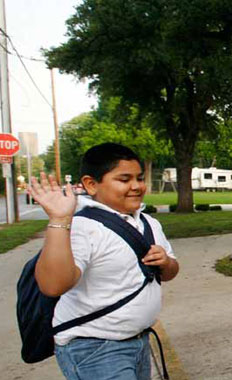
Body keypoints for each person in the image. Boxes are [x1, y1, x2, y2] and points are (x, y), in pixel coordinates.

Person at [28, 143, 179, 380]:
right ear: (91, 184)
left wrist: (166, 263)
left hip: (138, 341)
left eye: (140, 178)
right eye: (124, 179)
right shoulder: (82, 227)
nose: (137, 186)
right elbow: (52, 285)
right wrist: (59, 219)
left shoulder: (149, 223)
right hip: (96, 348)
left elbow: (170, 272)